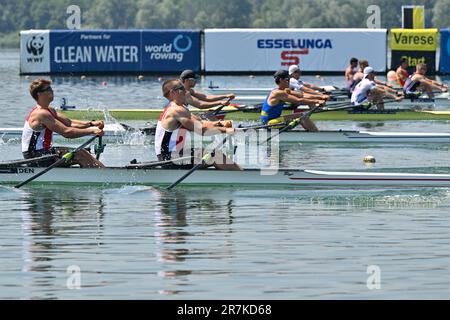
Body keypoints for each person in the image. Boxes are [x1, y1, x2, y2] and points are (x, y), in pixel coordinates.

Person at [155, 79, 241, 170]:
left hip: (175, 154)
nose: (186, 91)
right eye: (182, 88)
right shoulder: (175, 110)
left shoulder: (180, 108)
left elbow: (201, 122)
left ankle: (235, 173)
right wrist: (226, 130)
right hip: (169, 159)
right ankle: (242, 176)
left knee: (208, 152)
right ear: (173, 92)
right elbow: (201, 129)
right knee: (215, 155)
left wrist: (219, 124)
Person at [22, 79, 105, 168]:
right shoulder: (40, 114)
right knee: (80, 154)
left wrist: (91, 124)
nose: (52, 90)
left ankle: (96, 175)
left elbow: (69, 123)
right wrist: (92, 131)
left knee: (83, 151)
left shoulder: (50, 110)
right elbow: (67, 132)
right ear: (39, 93)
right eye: (48, 89)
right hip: (35, 157)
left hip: (45, 153)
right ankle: (104, 176)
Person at [260, 70, 326, 132]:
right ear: (281, 80)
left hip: (274, 121)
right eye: (287, 79)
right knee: (301, 116)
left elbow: (301, 95)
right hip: (269, 124)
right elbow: (298, 100)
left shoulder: (283, 90)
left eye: (289, 79)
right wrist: (317, 101)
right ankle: (316, 134)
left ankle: (312, 133)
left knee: (300, 116)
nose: (289, 82)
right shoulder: (278, 93)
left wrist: (320, 96)